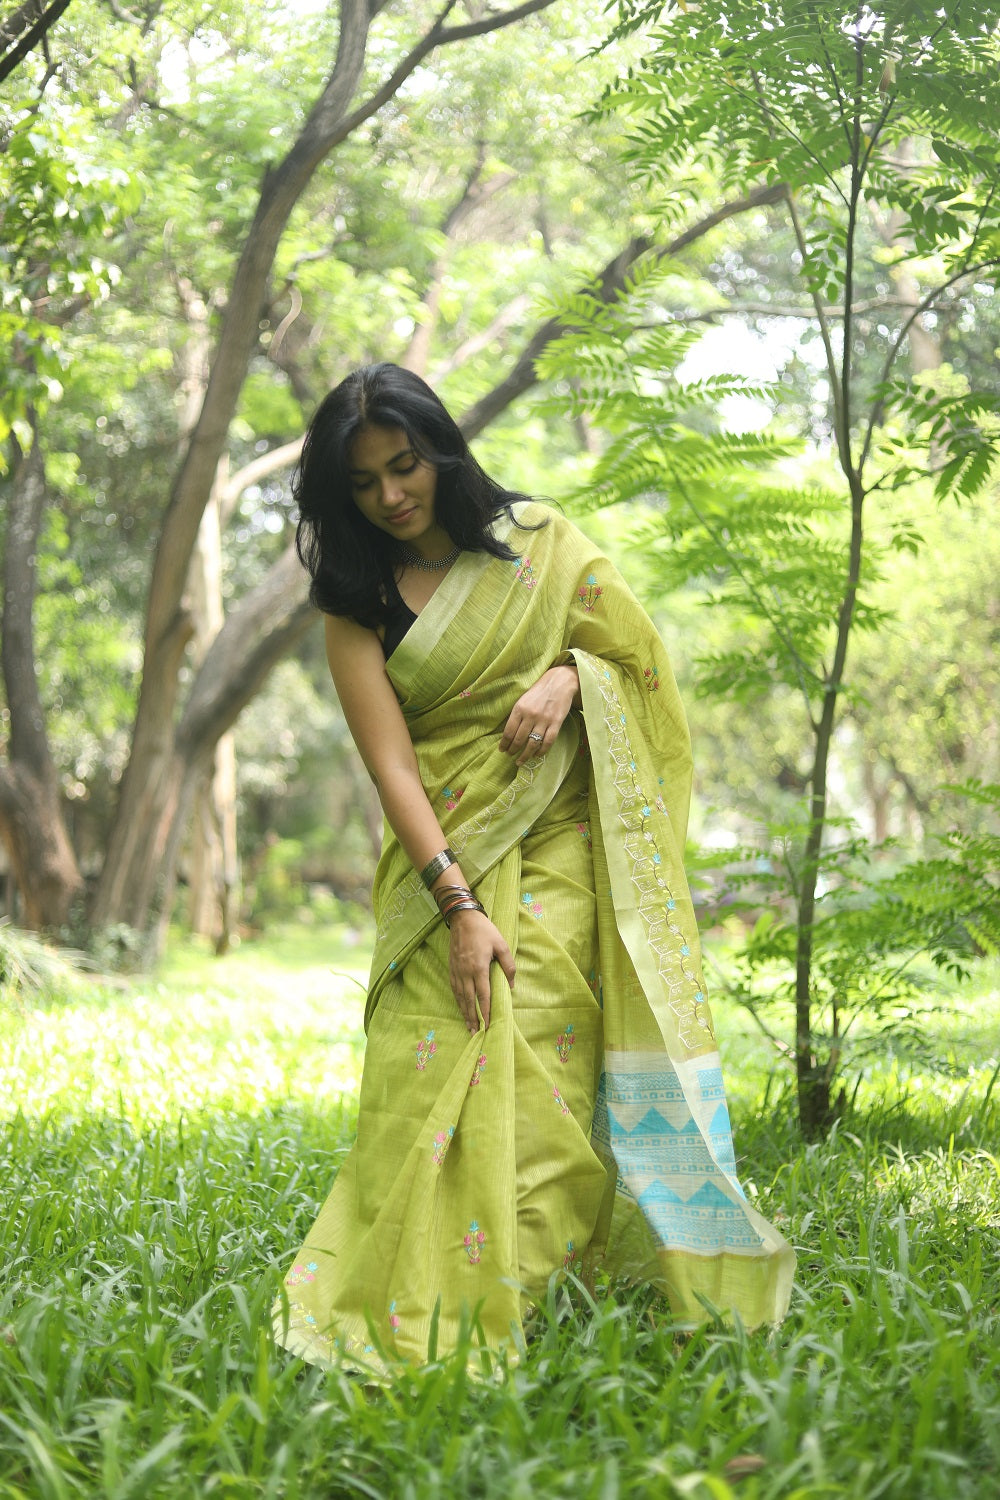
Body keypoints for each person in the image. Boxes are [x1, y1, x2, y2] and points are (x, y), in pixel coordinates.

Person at [273, 363, 794, 1372]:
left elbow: (638, 668)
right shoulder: (353, 601)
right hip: (438, 874)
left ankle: (536, 1296)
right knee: (421, 1079)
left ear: (438, 445)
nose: (391, 493)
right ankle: (431, 1302)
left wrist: (567, 675)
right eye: (365, 482)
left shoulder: (546, 548)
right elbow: (392, 769)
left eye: (404, 462)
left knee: (547, 1081)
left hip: (558, 847)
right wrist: (459, 906)